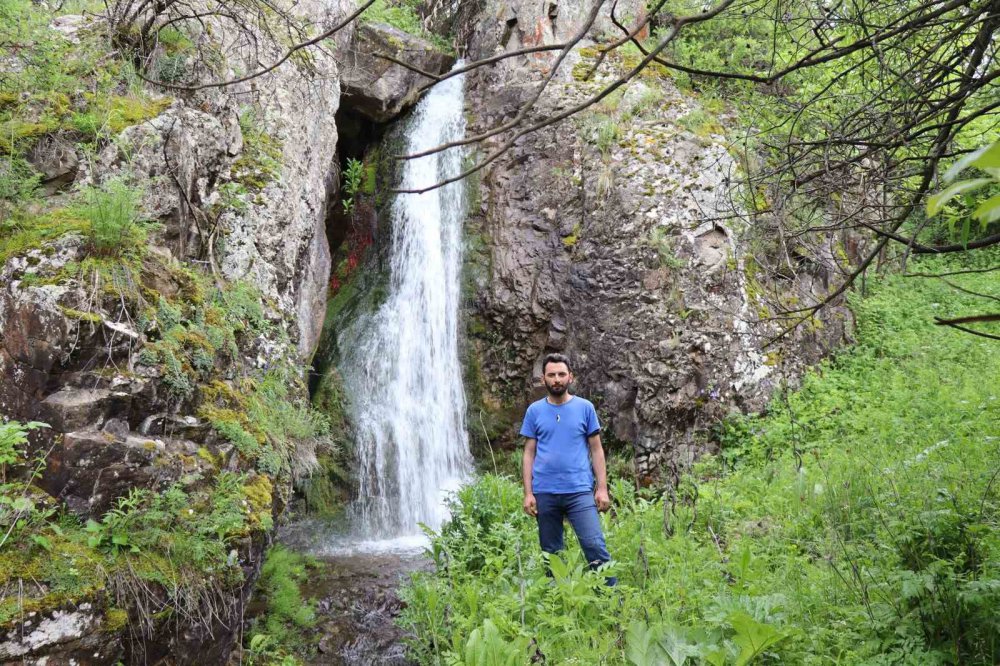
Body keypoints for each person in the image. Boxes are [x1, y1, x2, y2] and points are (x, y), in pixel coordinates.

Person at [520, 353, 616, 586]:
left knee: (594, 546)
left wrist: (602, 488)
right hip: (545, 492)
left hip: (579, 491)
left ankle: (612, 605)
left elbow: (596, 450)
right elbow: (529, 453)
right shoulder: (534, 411)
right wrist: (528, 493)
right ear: (543, 378)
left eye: (561, 374)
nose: (557, 379)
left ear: (570, 377)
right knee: (552, 554)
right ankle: (557, 605)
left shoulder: (585, 408)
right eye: (551, 375)